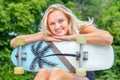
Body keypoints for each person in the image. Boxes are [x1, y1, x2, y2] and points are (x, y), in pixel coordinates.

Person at [10, 4, 113, 80]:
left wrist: (72, 37)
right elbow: (14, 42)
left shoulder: (80, 29)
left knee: (56, 71)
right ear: (48, 26)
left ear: (68, 20)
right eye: (52, 24)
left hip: (83, 77)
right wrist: (41, 36)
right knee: (42, 72)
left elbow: (107, 38)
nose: (57, 26)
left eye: (61, 21)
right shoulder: (49, 35)